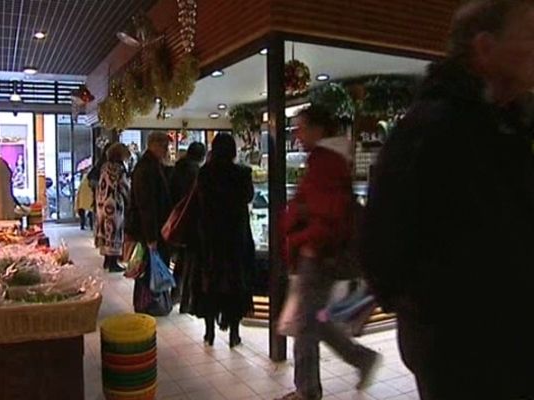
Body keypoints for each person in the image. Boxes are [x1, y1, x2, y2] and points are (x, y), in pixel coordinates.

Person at [362, 2, 534, 399]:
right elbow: (382, 255)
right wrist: (442, 320)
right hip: (468, 362)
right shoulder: (433, 130)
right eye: (527, 34)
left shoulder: (509, 123)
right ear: (486, 47)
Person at [277, 106, 380, 400]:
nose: (297, 134)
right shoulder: (327, 159)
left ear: (319, 129)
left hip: (317, 256)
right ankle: (360, 358)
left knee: (305, 325)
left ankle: (307, 391)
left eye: (301, 127)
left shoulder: (325, 161)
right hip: (319, 253)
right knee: (315, 319)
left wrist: (302, 239)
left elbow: (326, 215)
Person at [185, 133, 254, 348]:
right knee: (235, 285)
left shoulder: (205, 173)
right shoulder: (243, 173)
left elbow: (198, 203)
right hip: (236, 237)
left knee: (210, 284)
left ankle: (209, 333)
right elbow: (249, 197)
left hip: (209, 238)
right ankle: (234, 333)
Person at [128, 132, 173, 314]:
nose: (166, 150)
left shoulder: (151, 165)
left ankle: (151, 302)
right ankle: (149, 304)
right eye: (164, 146)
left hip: (152, 228)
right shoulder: (147, 168)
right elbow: (147, 205)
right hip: (150, 229)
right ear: (154, 145)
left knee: (150, 267)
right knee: (148, 268)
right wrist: (151, 236)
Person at [169, 142, 206, 303]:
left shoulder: (176, 169)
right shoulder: (196, 172)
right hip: (192, 222)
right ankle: (185, 298)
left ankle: (176, 293)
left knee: (181, 261)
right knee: (189, 262)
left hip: (176, 220)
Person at [94, 143, 130, 273]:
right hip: (114, 203)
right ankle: (113, 262)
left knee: (105, 230)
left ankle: (107, 261)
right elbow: (124, 186)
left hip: (102, 202)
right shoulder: (119, 168)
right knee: (114, 231)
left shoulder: (104, 166)